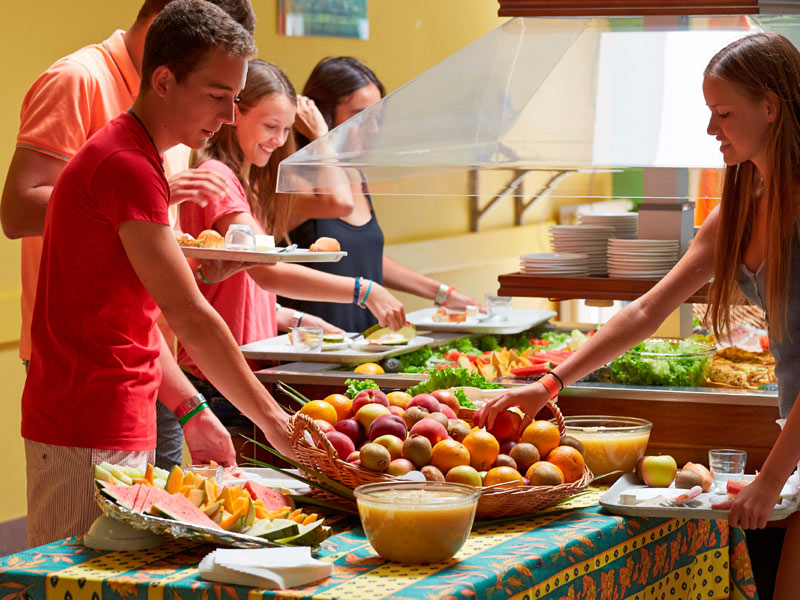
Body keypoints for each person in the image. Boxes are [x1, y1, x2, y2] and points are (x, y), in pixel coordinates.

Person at [480, 32, 800, 599]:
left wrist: (770, 479)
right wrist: (549, 384)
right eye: (709, 113)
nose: (711, 130)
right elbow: (647, 311)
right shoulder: (736, 216)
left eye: (724, 113)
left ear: (771, 107)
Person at [20, 0, 292, 546]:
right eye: (216, 97)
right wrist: (273, 423)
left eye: (234, 100)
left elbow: (136, 315)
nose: (227, 117)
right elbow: (187, 311)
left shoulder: (142, 158)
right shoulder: (126, 164)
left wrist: (193, 409)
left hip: (118, 411)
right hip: (86, 418)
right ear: (163, 80)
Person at [178, 59, 406, 418]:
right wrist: (364, 290)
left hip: (244, 370)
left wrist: (292, 318)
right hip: (222, 376)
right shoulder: (218, 177)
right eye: (270, 126)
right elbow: (267, 272)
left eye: (285, 129)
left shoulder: (245, 185)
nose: (279, 140)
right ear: (234, 114)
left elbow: (236, 285)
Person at [282, 56, 479, 333]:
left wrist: (442, 294)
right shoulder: (294, 179)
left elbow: (364, 256)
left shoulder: (356, 176)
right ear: (323, 116)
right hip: (312, 350)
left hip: (362, 346)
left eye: (377, 118)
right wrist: (321, 138)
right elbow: (338, 205)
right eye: (360, 117)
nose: (372, 130)